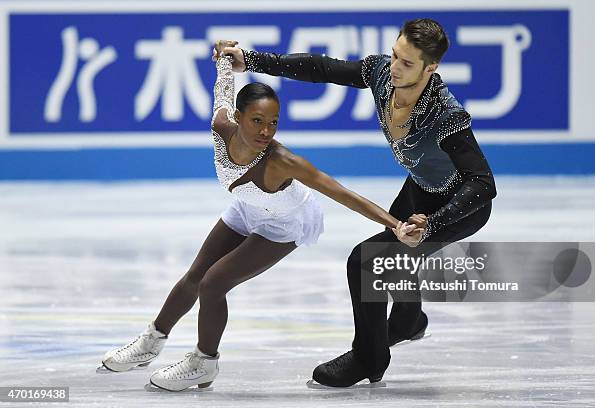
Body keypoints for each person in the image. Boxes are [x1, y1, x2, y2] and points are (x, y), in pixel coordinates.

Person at [99, 41, 424, 392]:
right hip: (245, 207)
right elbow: (223, 85)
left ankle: (203, 363)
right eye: (256, 121)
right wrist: (225, 57)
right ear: (238, 118)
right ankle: (151, 342)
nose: (266, 131)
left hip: (284, 223)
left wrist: (394, 225)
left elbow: (342, 194)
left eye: (273, 123)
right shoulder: (221, 126)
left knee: (213, 283)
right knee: (195, 275)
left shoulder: (282, 160)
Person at [218, 17, 497, 387]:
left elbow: (482, 183)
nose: (395, 67)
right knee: (395, 258)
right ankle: (409, 321)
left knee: (365, 263)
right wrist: (252, 60)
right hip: (419, 188)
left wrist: (431, 223)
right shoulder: (383, 74)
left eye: (408, 63)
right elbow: (322, 68)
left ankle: (370, 358)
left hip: (458, 207)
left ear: (431, 67)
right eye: (396, 55)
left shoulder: (446, 116)